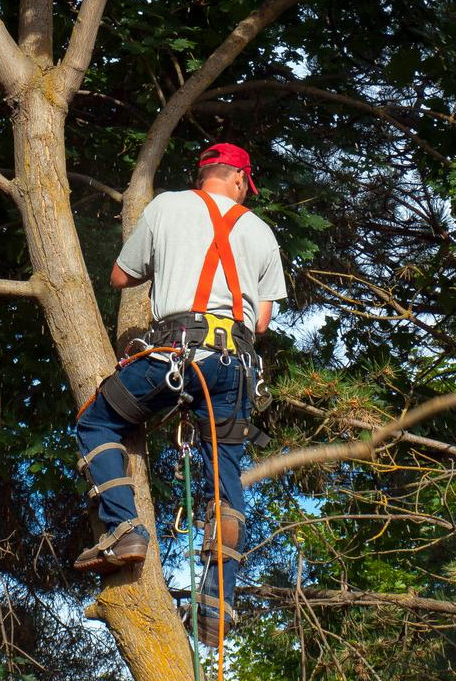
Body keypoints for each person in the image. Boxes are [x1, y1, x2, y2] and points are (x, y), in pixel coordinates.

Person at [72, 143, 286, 647]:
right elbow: (260, 322)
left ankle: (125, 531)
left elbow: (120, 276)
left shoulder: (166, 206)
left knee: (99, 421)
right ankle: (216, 607)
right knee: (224, 486)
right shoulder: (261, 231)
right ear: (238, 179)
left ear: (205, 173)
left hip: (176, 353)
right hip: (234, 366)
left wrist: (169, 263)